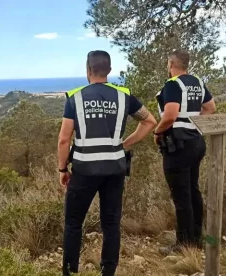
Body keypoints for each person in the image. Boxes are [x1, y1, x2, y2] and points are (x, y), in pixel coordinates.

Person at [58, 50, 156, 276]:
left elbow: (64, 139)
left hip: (83, 170)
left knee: (74, 223)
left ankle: (70, 271)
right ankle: (108, 271)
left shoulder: (75, 97)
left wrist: (63, 169)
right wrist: (124, 144)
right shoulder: (124, 96)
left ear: (88, 70)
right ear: (109, 71)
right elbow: (150, 121)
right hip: (114, 169)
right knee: (111, 224)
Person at [153, 49, 216, 254]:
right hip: (196, 142)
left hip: (177, 145)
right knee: (192, 190)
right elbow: (210, 108)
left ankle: (183, 244)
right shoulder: (197, 81)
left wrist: (157, 131)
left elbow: (170, 115)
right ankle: (196, 237)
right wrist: (195, 125)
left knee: (181, 195)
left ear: (171, 64)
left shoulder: (172, 84)